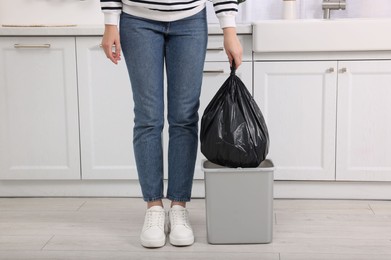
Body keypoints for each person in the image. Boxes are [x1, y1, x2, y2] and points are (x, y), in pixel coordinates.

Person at [100, 0, 243, 248]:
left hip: (190, 21)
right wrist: (110, 21)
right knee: (147, 118)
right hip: (137, 20)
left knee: (184, 118)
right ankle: (154, 208)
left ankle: (178, 207)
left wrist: (229, 28)